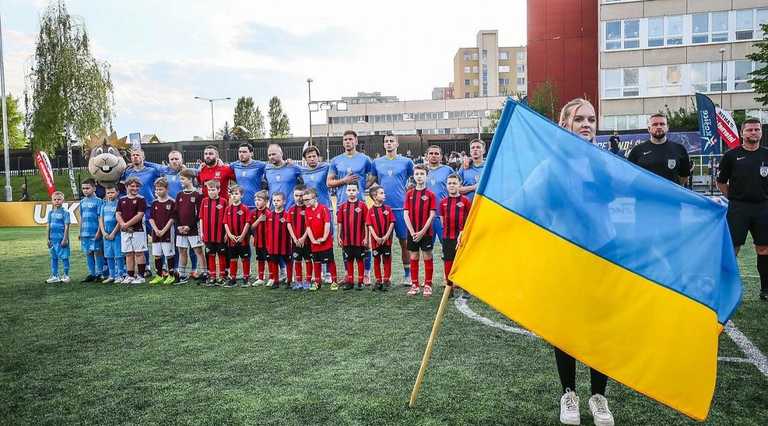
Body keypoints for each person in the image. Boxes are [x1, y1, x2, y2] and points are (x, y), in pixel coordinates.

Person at [552, 98, 613, 426]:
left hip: (602, 251)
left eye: (591, 119)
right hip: (564, 254)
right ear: (565, 124)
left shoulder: (605, 160)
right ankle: (569, 394)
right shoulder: (551, 162)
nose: (587, 124)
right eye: (579, 119)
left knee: (599, 326)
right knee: (566, 327)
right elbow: (521, 200)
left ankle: (599, 396)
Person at [717, 117, 768, 301]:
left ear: (761, 133)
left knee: (764, 249)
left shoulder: (766, 154)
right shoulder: (731, 156)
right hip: (738, 208)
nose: (753, 132)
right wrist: (734, 198)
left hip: (763, 208)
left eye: (756, 129)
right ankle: (724, 289)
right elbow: (721, 182)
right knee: (733, 249)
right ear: (742, 133)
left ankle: (765, 290)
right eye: (749, 130)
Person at [328, 130, 374, 282]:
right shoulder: (336, 160)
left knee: (364, 239)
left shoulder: (365, 159)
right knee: (345, 240)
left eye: (350, 139)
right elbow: (329, 182)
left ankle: (366, 273)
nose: (347, 142)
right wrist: (345, 181)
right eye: (345, 139)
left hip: (360, 204)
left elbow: (372, 176)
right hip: (342, 204)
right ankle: (349, 274)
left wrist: (362, 186)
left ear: (356, 141)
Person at [371, 133, 414, 286]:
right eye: (386, 141)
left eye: (391, 141)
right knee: (384, 244)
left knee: (405, 243)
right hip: (383, 210)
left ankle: (408, 275)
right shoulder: (376, 162)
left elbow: (413, 179)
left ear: (397, 144)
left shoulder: (407, 162)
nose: (389, 143)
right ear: (384, 144)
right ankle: (384, 277)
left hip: (401, 208)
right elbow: (371, 181)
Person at [627, 113, 690, 186]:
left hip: (670, 196)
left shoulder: (679, 149)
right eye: (655, 124)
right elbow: (630, 175)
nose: (659, 127)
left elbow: (684, 176)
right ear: (649, 129)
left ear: (667, 127)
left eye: (662, 124)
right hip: (645, 196)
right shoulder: (637, 150)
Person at [403, 164, 437, 297]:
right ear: (413, 176)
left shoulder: (431, 195)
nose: (419, 176)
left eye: (422, 174)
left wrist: (422, 231)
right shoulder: (409, 194)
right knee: (413, 256)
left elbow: (432, 215)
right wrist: (412, 232)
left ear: (426, 176)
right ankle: (415, 284)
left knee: (427, 255)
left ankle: (428, 284)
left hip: (426, 232)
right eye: (417, 174)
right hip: (412, 232)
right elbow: (406, 214)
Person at [439, 174, 472, 298]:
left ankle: (465, 287)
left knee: (463, 262)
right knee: (448, 261)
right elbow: (442, 220)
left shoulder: (465, 201)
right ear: (446, 186)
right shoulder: (443, 203)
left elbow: (469, 220)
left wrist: (463, 233)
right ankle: (449, 287)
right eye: (449, 183)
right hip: (448, 237)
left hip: (462, 238)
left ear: (459, 185)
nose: (452, 185)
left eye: (454, 183)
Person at [174, 169, 205, 284]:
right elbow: (175, 212)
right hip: (181, 229)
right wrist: (179, 226)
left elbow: (199, 214)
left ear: (190, 179)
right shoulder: (179, 195)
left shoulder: (197, 195)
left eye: (183, 179)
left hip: (193, 229)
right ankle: (182, 274)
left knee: (198, 251)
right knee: (182, 251)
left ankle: (204, 273)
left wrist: (189, 226)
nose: (180, 181)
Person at [304, 187, 338, 290]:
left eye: (308, 199)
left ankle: (334, 282)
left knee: (330, 261)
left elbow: (327, 224)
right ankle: (317, 282)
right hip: (314, 243)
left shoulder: (324, 208)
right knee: (317, 262)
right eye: (304, 200)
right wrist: (313, 240)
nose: (305, 202)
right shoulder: (307, 211)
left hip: (325, 242)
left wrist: (324, 237)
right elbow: (308, 227)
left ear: (315, 198)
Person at [116, 177, 148, 284]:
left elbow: (140, 215)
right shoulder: (122, 199)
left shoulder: (141, 199)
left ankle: (141, 276)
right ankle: (130, 275)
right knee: (128, 253)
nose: (135, 188)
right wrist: (123, 225)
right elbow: (118, 214)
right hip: (125, 231)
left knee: (139, 253)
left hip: (138, 230)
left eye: (137, 186)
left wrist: (126, 224)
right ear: (126, 186)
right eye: (132, 186)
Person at [337, 184, 369, 291]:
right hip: (347, 240)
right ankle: (350, 282)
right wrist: (338, 236)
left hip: (359, 240)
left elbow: (366, 223)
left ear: (358, 192)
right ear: (346, 192)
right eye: (349, 190)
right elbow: (340, 223)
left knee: (360, 260)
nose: (351, 192)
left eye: (353, 190)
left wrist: (366, 237)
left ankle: (360, 282)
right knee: (349, 260)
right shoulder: (342, 207)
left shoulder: (363, 206)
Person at [199, 179, 228, 286]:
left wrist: (226, 233)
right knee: (210, 255)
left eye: (213, 189)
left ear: (219, 190)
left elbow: (227, 220)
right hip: (208, 234)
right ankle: (212, 276)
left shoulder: (224, 202)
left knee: (221, 255)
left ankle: (222, 276)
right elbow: (201, 218)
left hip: (220, 234)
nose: (211, 192)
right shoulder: (204, 201)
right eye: (209, 190)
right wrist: (201, 232)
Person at [148, 178, 177, 285]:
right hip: (156, 233)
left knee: (169, 255)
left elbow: (172, 219)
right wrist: (156, 230)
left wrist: (164, 230)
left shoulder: (172, 202)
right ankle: (159, 275)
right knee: (157, 255)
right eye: (157, 189)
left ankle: (171, 275)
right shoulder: (154, 202)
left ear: (167, 189)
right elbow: (151, 218)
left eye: (160, 189)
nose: (158, 191)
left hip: (168, 232)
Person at [366, 185, 395, 291]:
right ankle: (378, 280)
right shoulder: (370, 211)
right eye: (381, 193)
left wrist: (387, 235)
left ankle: (387, 279)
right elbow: (369, 225)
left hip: (387, 241)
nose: (384, 195)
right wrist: (376, 237)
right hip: (375, 242)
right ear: (374, 196)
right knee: (377, 260)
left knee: (387, 259)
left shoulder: (388, 209)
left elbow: (392, 222)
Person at [223, 185, 252, 288]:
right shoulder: (228, 209)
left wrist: (242, 236)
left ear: (242, 195)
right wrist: (229, 234)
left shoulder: (245, 209)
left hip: (243, 240)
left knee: (245, 259)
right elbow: (225, 223)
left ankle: (246, 278)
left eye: (236, 194)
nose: (234, 196)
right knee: (233, 259)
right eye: (232, 194)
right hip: (232, 240)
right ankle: (233, 279)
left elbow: (247, 223)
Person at [425, 145, 454, 244]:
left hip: (444, 214)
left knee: (447, 246)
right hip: (426, 216)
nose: (434, 156)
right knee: (427, 249)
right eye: (431, 153)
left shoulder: (448, 170)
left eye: (436, 153)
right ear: (427, 156)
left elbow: (457, 187)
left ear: (441, 157)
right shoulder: (421, 171)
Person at [286, 185, 313, 290]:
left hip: (307, 241)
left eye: (301, 195)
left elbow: (309, 225)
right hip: (296, 241)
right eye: (296, 195)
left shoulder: (308, 209)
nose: (299, 198)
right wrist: (294, 238)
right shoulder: (291, 209)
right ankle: (299, 281)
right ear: (293, 196)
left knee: (307, 260)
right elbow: (289, 224)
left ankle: (308, 281)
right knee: (297, 261)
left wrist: (303, 237)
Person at [78, 178, 104, 282]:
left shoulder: (99, 201)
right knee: (88, 253)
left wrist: (99, 232)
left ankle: (100, 273)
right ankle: (92, 273)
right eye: (83, 188)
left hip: (95, 232)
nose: (85, 190)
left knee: (98, 253)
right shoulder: (82, 202)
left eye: (87, 188)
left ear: (94, 188)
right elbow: (81, 217)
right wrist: (80, 232)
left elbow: (100, 218)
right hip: (85, 233)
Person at [266, 192, 294, 288]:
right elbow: (267, 230)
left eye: (278, 200)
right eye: (274, 200)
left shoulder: (287, 215)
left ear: (284, 201)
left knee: (288, 262)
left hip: (285, 245)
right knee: (274, 262)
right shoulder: (269, 215)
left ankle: (289, 281)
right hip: (273, 245)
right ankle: (276, 281)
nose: (275, 202)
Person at [99, 186, 126, 284]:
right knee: (109, 256)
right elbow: (101, 219)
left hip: (117, 235)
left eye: (112, 192)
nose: (110, 195)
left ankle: (120, 275)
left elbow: (120, 220)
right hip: (106, 235)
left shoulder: (120, 204)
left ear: (117, 192)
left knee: (118, 255)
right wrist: (103, 232)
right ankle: (111, 275)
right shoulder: (104, 205)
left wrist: (114, 233)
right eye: (108, 193)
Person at [265, 144, 302, 209]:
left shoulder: (292, 167)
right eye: (269, 155)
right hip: (274, 210)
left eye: (274, 154)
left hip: (290, 210)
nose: (271, 157)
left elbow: (306, 173)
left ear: (281, 153)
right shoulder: (266, 169)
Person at [230, 143, 266, 209]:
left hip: (255, 206)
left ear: (251, 153)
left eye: (244, 152)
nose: (241, 154)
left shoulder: (260, 165)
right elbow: (222, 168)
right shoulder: (234, 165)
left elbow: (274, 167)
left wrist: (287, 162)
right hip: (240, 206)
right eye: (239, 152)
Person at [46, 191, 71, 284]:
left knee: (64, 257)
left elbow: (67, 226)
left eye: (59, 199)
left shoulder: (65, 212)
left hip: (61, 239)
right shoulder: (50, 213)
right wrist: (48, 239)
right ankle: (55, 276)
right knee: (54, 258)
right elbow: (48, 226)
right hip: (53, 239)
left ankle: (66, 275)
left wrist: (65, 239)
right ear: (52, 201)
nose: (57, 201)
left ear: (63, 200)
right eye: (55, 199)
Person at [249, 190, 271, 286]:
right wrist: (258, 220)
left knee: (270, 260)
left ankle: (272, 278)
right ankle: (261, 278)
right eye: (256, 200)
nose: (257, 202)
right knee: (260, 259)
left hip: (268, 242)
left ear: (266, 201)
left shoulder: (269, 212)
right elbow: (251, 227)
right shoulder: (253, 212)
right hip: (258, 241)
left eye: (260, 200)